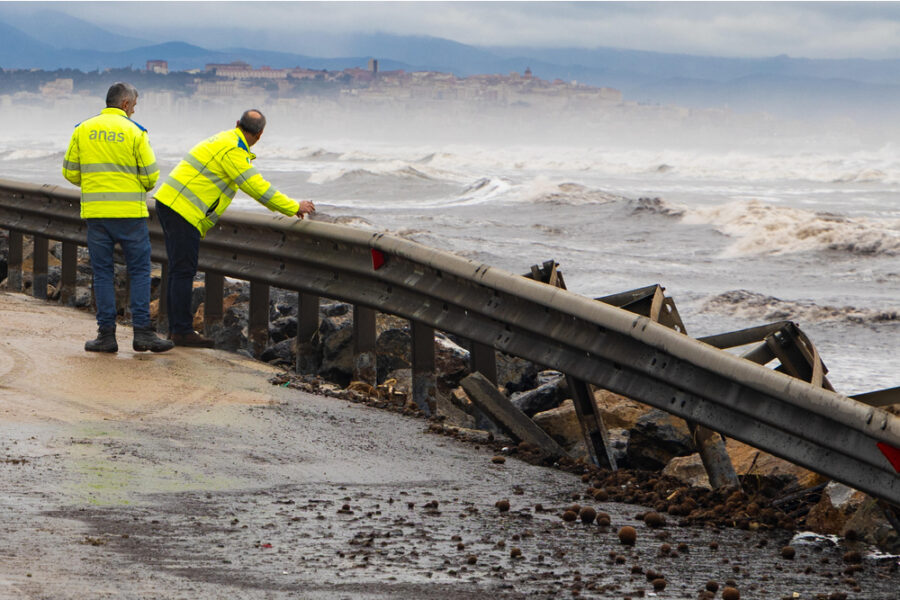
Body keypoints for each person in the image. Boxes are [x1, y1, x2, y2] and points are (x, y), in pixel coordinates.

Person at [153, 109, 315, 347]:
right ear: (260, 135)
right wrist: (292, 206)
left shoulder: (224, 138)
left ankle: (178, 328)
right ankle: (180, 331)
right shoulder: (233, 150)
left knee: (179, 269)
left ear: (238, 123)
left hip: (171, 203)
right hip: (182, 210)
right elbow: (256, 187)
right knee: (183, 271)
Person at [62, 82, 174, 353]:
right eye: (134, 106)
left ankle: (106, 336)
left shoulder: (83, 129)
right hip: (129, 216)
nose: (134, 111)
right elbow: (150, 177)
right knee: (138, 272)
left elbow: (69, 171)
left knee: (102, 274)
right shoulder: (135, 132)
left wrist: (97, 185)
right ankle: (143, 334)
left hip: (97, 214)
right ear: (125, 104)